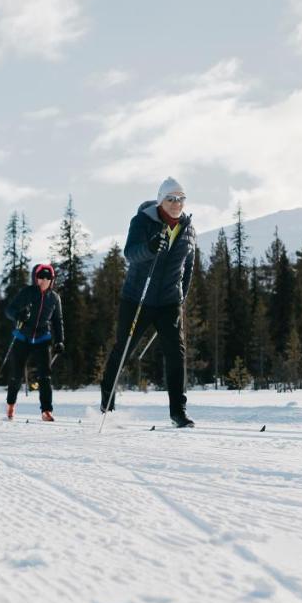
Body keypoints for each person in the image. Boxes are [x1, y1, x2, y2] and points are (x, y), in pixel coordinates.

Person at [100, 177, 196, 427]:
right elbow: (130, 253)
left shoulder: (188, 228)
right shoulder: (143, 220)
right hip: (137, 298)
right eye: (171, 198)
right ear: (161, 200)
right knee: (123, 349)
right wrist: (150, 247)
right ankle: (106, 405)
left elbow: (189, 266)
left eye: (181, 199)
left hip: (168, 302)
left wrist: (181, 295)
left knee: (176, 354)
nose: (176, 204)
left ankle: (179, 412)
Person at [3, 262, 65, 421]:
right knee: (16, 375)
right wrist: (18, 315)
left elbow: (58, 321)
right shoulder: (27, 293)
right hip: (22, 337)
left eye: (48, 277)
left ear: (52, 280)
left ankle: (46, 411)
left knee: (45, 376)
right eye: (41, 276)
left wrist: (59, 341)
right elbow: (9, 310)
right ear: (35, 278)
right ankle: (11, 404)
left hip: (42, 339)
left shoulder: (54, 298)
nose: (44, 280)